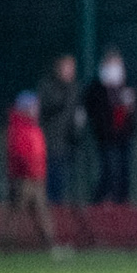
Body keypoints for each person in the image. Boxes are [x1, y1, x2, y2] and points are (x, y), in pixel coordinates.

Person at [2, 91, 57, 251]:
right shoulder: (20, 127)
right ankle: (4, 244)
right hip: (24, 178)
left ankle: (49, 244)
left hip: (35, 176)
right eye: (34, 106)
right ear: (25, 108)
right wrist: (27, 172)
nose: (37, 109)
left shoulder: (30, 126)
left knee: (40, 212)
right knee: (16, 211)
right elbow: (21, 154)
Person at [84, 49, 136, 204]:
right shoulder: (96, 88)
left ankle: (122, 201)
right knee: (108, 170)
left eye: (117, 64)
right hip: (105, 135)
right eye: (111, 64)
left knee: (123, 170)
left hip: (123, 135)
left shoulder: (126, 86)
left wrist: (131, 106)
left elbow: (133, 113)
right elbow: (92, 108)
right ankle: (100, 201)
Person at [37, 55, 85, 206]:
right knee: (53, 180)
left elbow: (75, 113)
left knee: (64, 181)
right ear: (58, 68)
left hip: (68, 143)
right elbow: (48, 106)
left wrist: (77, 129)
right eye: (67, 67)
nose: (70, 71)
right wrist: (65, 95)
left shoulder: (75, 88)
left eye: (72, 68)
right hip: (51, 142)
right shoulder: (48, 86)